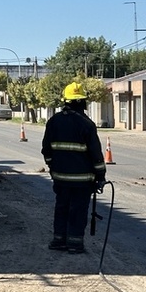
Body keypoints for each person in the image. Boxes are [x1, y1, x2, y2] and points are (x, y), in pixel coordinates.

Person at [41, 82, 107, 254]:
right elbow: (96, 155)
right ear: (83, 102)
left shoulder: (53, 121)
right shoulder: (87, 124)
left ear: (65, 101)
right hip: (82, 180)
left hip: (60, 177)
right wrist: (100, 176)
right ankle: (75, 243)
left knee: (61, 207)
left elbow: (46, 150)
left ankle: (58, 241)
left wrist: (52, 166)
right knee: (78, 210)